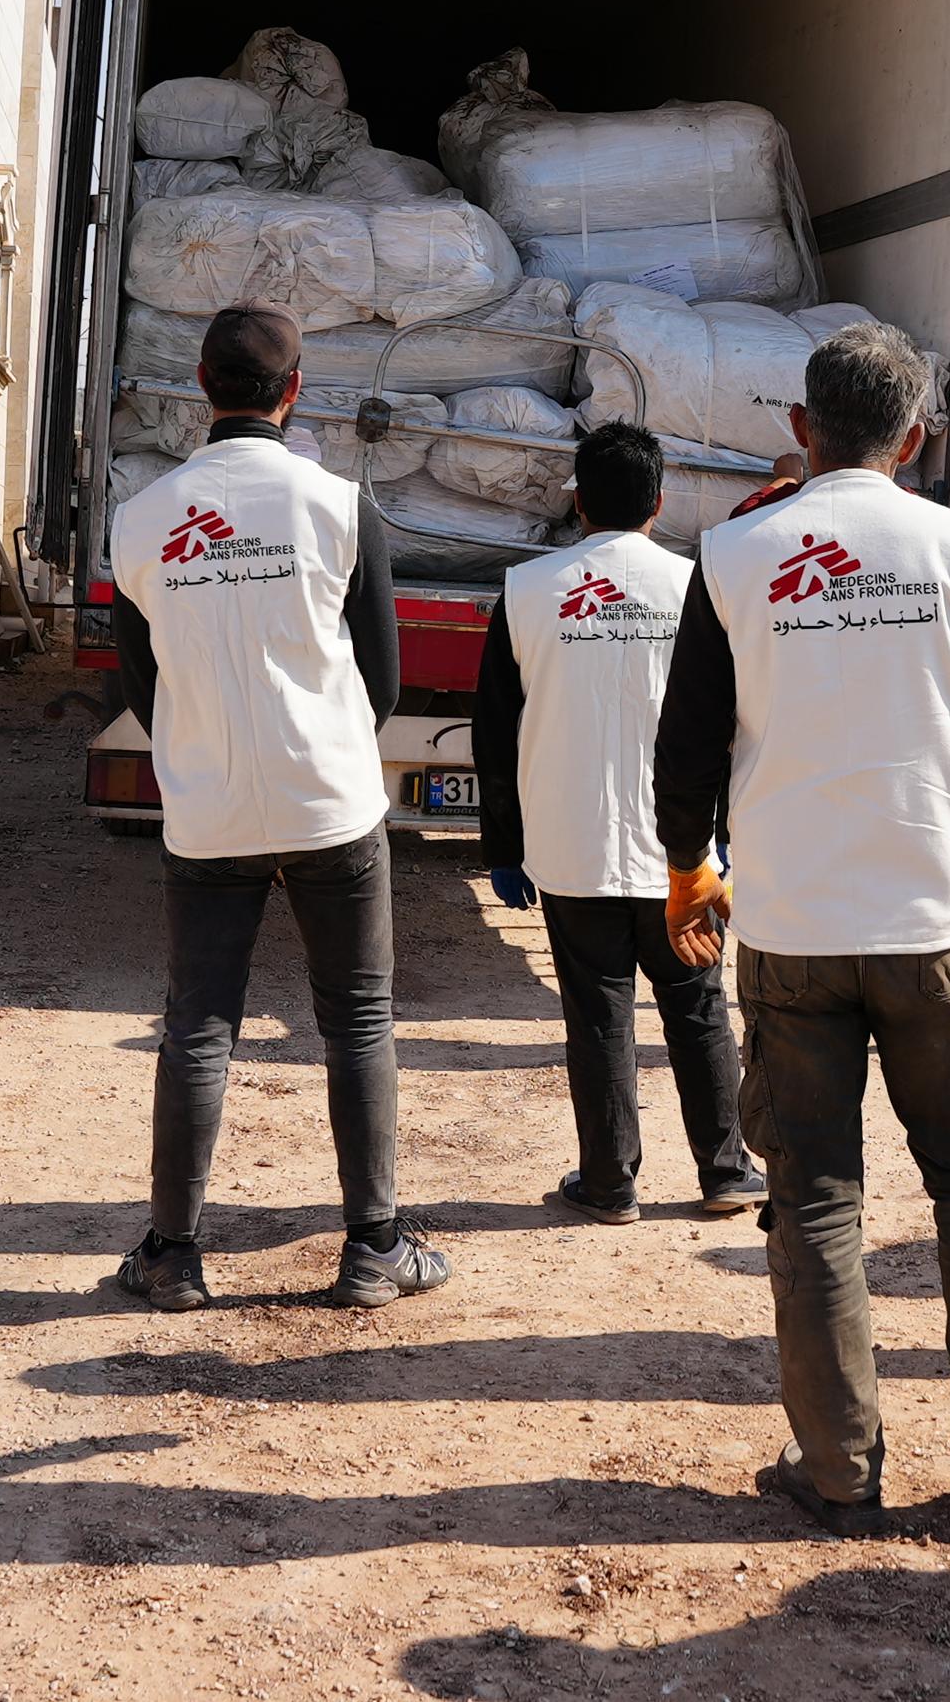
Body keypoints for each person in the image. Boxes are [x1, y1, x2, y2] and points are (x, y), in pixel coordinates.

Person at [652, 320, 950, 1531]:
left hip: (789, 930)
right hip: (933, 924)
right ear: (919, 437)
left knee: (817, 1194)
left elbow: (685, 746)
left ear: (800, 427)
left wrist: (689, 868)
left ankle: (838, 1466)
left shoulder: (732, 557)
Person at [106, 303, 447, 1313]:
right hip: (330, 803)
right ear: (295, 391)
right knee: (358, 1019)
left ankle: (172, 1255)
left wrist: (207, 742)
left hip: (207, 806)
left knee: (198, 1023)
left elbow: (142, 683)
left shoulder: (141, 518)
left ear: (200, 385)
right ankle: (374, 1247)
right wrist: (326, 739)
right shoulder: (340, 505)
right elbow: (381, 677)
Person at [473, 421, 767, 1226]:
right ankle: (724, 1169)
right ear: (660, 502)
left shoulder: (529, 590)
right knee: (697, 999)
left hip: (571, 847)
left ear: (576, 502)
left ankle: (608, 1182)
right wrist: (729, 834)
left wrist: (505, 847)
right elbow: (734, 723)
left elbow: (494, 731)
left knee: (597, 1010)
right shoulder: (697, 588)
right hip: (681, 849)